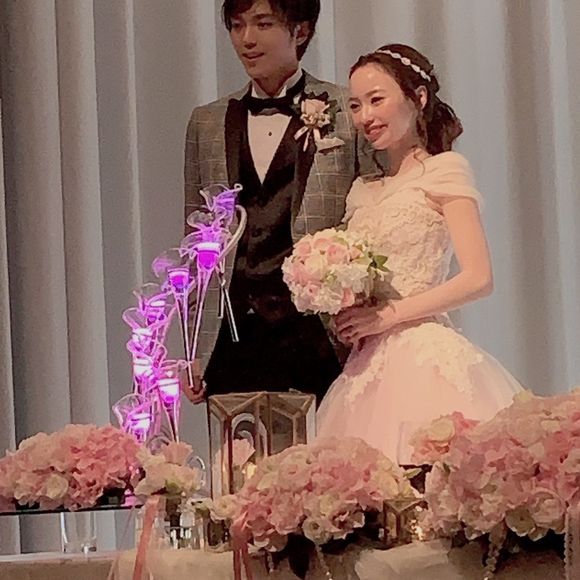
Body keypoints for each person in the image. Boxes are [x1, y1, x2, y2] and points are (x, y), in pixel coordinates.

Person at [316, 43, 523, 463]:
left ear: (419, 98)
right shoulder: (361, 190)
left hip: (422, 354)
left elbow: (479, 278)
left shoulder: (444, 170)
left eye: (377, 100)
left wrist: (389, 315)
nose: (365, 116)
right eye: (355, 105)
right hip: (363, 363)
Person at [183, 0, 360, 405]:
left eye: (263, 24)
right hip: (232, 333)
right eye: (237, 25)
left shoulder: (346, 111)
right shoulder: (206, 122)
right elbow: (195, 242)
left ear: (301, 31)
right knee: (238, 446)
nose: (246, 39)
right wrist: (195, 346)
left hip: (319, 333)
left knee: (329, 446)